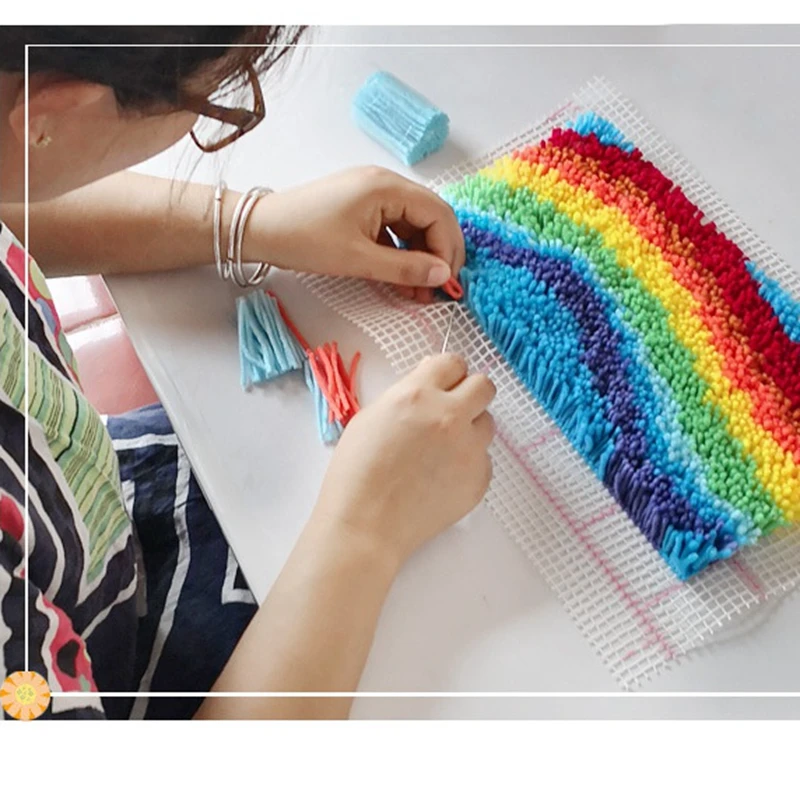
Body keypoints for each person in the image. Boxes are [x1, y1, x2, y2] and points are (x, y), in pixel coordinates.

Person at [0, 26, 496, 719]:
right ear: (55, 113)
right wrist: (367, 529)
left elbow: (14, 193)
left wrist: (247, 223)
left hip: (84, 520)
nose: (214, 110)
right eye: (213, 102)